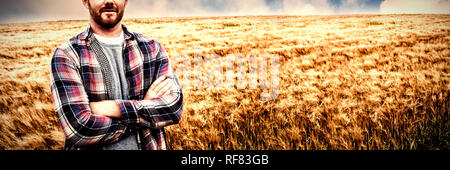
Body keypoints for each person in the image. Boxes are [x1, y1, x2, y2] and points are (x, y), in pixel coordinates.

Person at [50, 0, 183, 150]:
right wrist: (143, 110)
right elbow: (79, 129)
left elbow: (173, 108)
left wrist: (112, 108)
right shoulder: (68, 55)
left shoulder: (152, 49)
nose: (109, 1)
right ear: (85, 1)